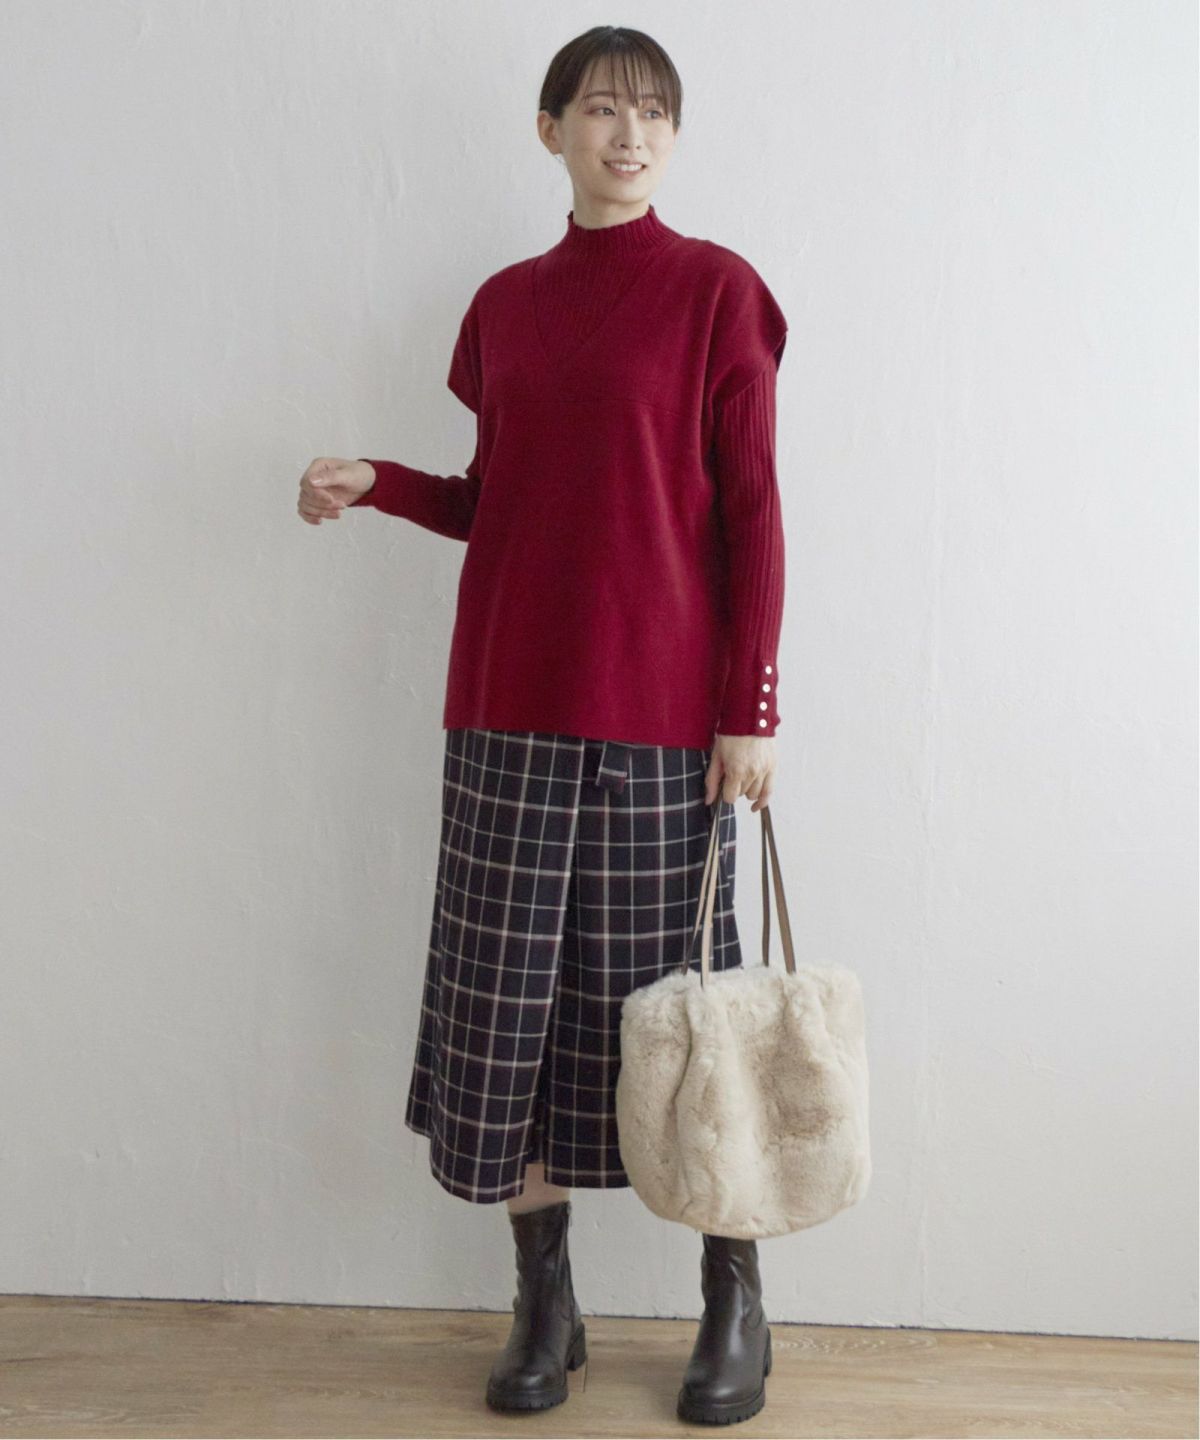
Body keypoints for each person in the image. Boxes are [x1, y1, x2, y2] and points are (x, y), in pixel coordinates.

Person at [297, 25, 785, 1428]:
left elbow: (754, 511)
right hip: (507, 705)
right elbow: (495, 500)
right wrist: (382, 482)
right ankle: (545, 1301)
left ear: (673, 138)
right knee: (506, 1010)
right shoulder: (503, 307)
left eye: (654, 115)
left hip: (665, 723)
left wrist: (749, 708)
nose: (629, 136)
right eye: (602, 110)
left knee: (688, 1021)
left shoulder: (717, 293)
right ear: (550, 128)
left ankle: (734, 1298)